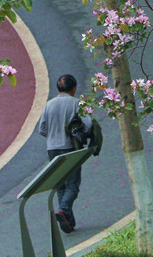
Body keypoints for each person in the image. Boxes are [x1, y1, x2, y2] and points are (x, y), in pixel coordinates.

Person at [37, 73, 91, 233]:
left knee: (60, 184)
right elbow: (87, 126)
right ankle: (63, 209)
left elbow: (42, 129)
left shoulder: (49, 104)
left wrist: (53, 135)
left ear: (58, 88)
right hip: (70, 147)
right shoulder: (77, 103)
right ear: (73, 89)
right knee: (73, 185)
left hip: (52, 148)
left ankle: (68, 222)